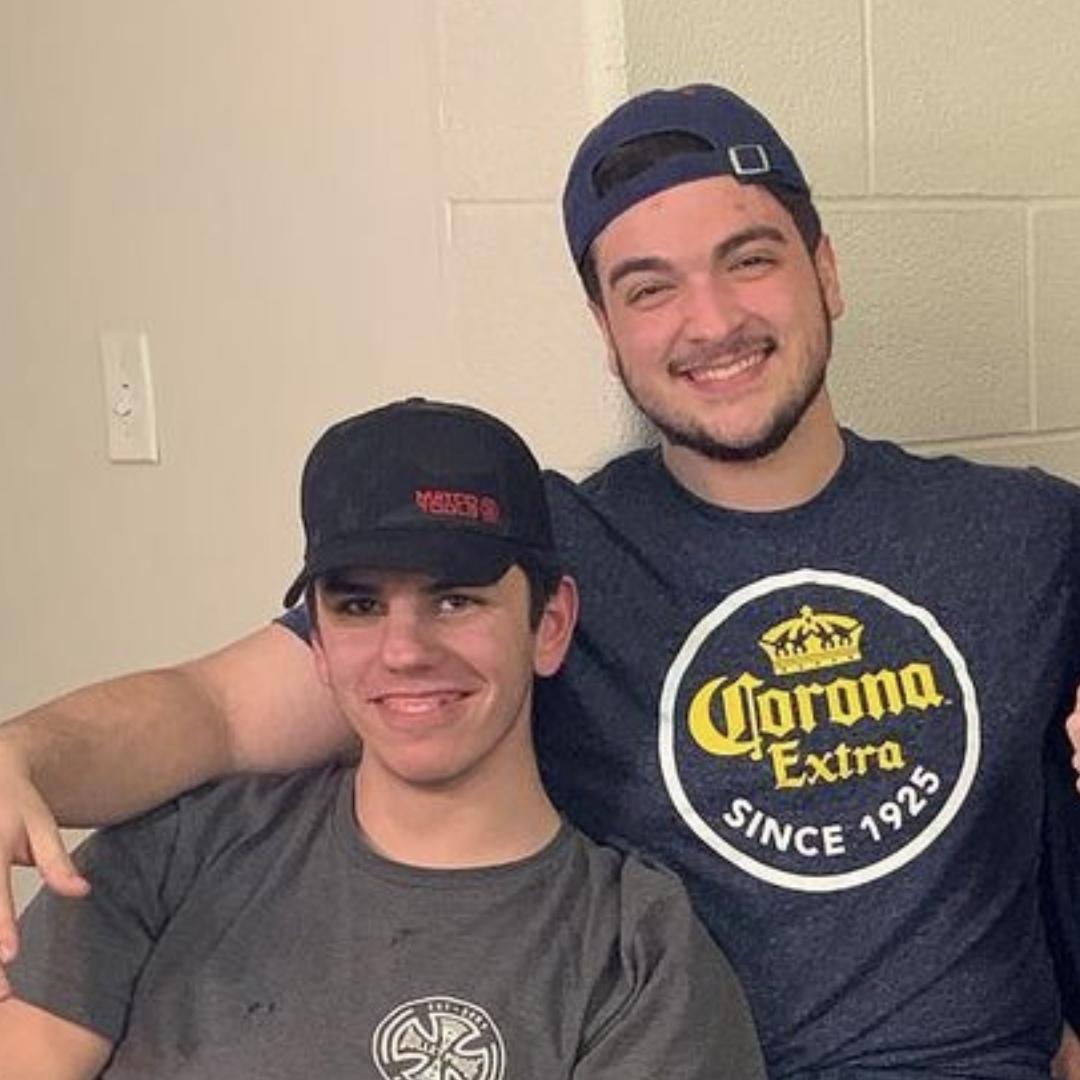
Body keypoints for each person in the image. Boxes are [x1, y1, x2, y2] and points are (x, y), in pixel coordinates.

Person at [2, 83, 1080, 1077]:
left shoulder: (1023, 533)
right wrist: (24, 759)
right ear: (607, 333)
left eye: (749, 260)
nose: (710, 321)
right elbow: (215, 711)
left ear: (827, 272)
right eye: (649, 289)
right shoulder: (531, 557)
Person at [0, 398, 764, 1078]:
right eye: (359, 606)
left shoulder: (634, 953)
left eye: (455, 600)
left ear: (550, 623)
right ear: (317, 641)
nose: (404, 651)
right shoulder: (178, 847)